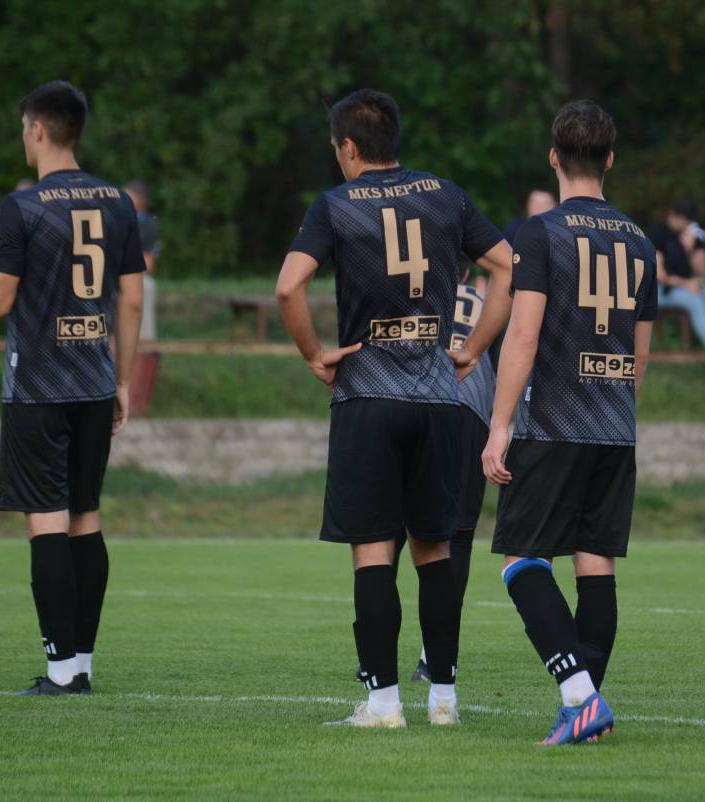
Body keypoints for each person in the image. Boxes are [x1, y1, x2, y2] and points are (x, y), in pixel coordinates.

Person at [277, 88, 512, 729]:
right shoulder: (446, 194)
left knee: (373, 553)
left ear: (349, 147)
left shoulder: (335, 204)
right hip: (439, 399)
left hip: (368, 396)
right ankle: (444, 701)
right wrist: (473, 348)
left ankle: (383, 704)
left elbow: (288, 287)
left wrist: (315, 354)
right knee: (435, 553)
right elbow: (506, 267)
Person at [482, 100, 656, 746]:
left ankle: (581, 700)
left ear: (553, 157)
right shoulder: (641, 241)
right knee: (595, 562)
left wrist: (499, 424)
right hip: (615, 424)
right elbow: (640, 354)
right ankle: (588, 710)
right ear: (610, 160)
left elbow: (523, 334)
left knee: (522, 560)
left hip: (552, 423)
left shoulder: (540, 233)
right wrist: (617, 408)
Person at [0, 80, 145, 696]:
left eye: (25, 129)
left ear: (38, 130)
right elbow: (131, 300)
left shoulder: (22, 207)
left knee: (47, 522)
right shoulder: (118, 202)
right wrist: (122, 380)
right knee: (86, 518)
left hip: (38, 387)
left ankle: (60, 671)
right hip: (95, 382)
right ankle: (82, 664)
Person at [400, 271, 498, 683]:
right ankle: (435, 656)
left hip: (412, 402)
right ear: (468, 272)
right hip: (469, 409)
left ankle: (377, 649)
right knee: (457, 538)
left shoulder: (410, 295)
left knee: (390, 530)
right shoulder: (489, 302)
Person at [651, 200, 705, 352]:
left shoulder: (692, 236)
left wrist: (690, 250)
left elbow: (701, 272)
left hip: (687, 287)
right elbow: (659, 275)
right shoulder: (659, 234)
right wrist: (686, 284)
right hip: (661, 290)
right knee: (695, 302)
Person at [123, 180, 160, 417]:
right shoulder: (128, 220)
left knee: (142, 340)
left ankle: (136, 400)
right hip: (126, 282)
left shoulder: (145, 223)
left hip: (138, 282)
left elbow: (148, 262)